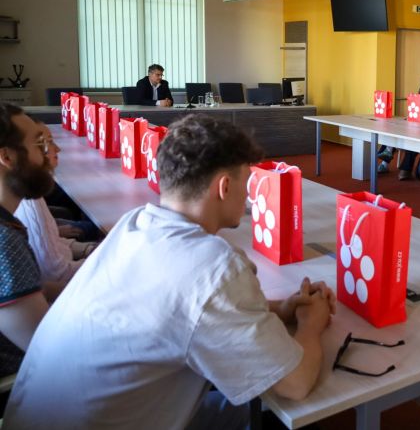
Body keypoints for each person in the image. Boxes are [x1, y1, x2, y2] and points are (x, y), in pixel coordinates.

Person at [5, 114, 336, 428]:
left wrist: (280, 308)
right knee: (266, 414)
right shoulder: (215, 265)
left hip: (38, 417)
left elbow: (183, 307)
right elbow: (295, 384)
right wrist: (311, 323)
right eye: (245, 183)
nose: (247, 197)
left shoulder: (134, 225)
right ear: (224, 187)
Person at [0, 103, 56, 377]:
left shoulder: (7, 226)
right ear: (7, 157)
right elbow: (50, 350)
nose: (48, 155)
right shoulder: (4, 242)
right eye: (39, 144)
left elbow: (35, 290)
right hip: (28, 385)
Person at [15, 122, 96, 284]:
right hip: (70, 281)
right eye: (46, 143)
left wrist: (87, 249)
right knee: (96, 226)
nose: (57, 149)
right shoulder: (30, 202)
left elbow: (49, 244)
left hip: (68, 256)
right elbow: (58, 276)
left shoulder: (29, 194)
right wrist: (105, 259)